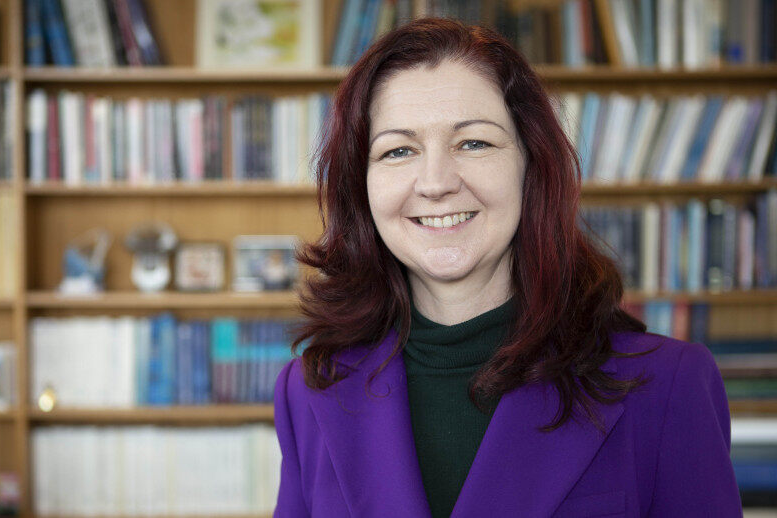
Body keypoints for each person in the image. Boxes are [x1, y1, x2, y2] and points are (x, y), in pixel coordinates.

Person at [273, 18, 742, 518]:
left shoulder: (668, 385)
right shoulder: (309, 391)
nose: (435, 182)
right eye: (399, 150)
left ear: (531, 165)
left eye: (473, 143)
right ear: (361, 186)